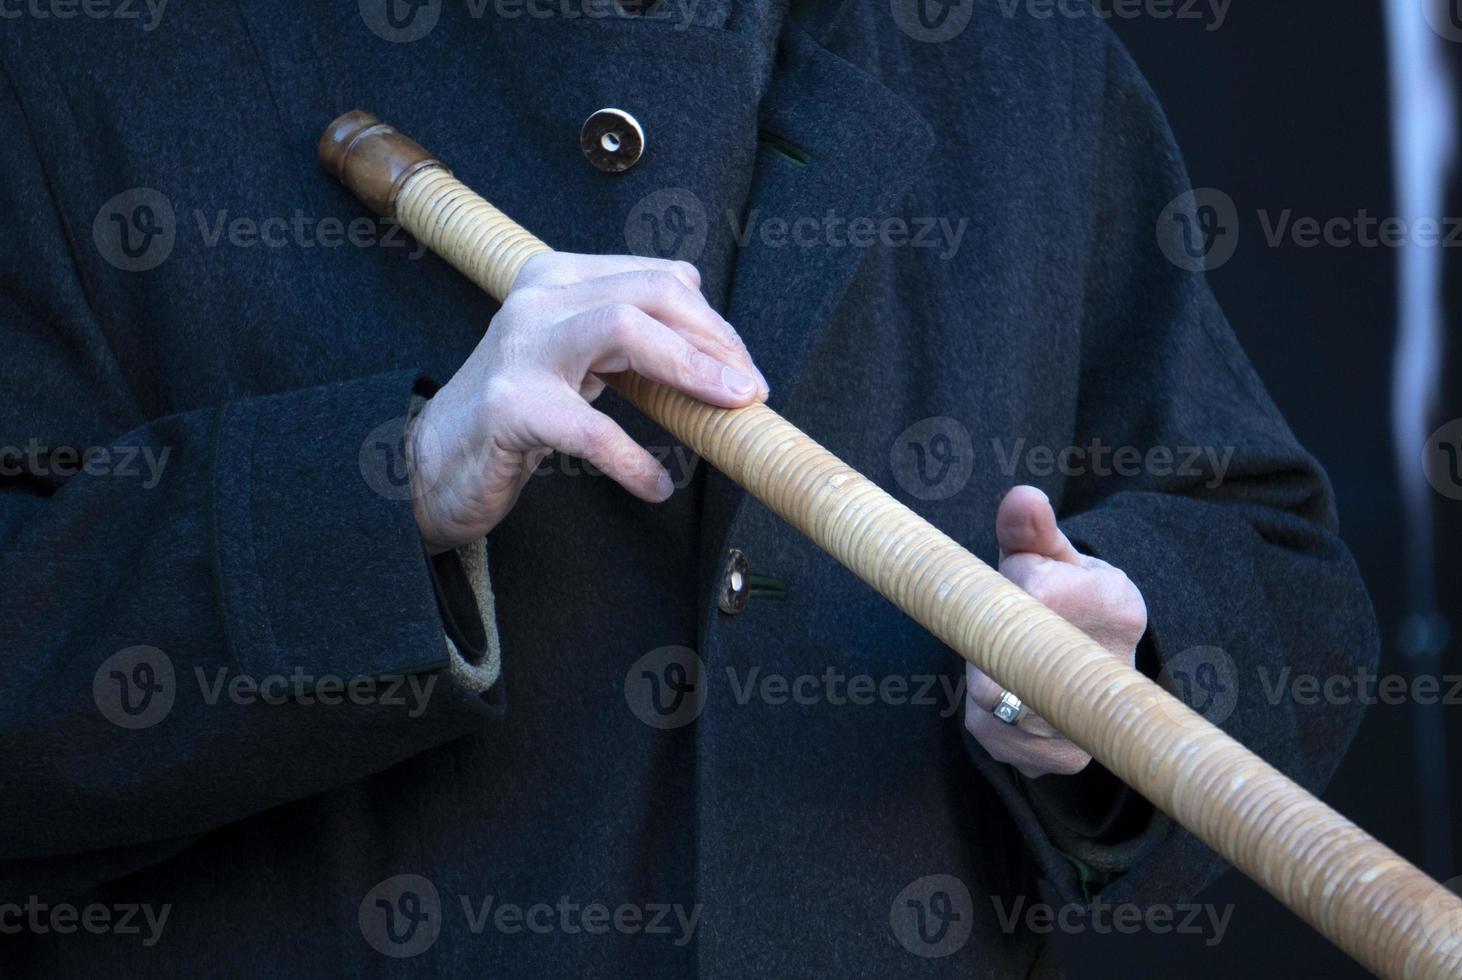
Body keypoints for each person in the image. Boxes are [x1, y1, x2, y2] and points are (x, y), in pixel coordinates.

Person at [0, 0, 1377, 975]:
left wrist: (1112, 665)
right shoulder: (79, 54)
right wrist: (393, 488)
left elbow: (1266, 557)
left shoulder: (1017, 46)